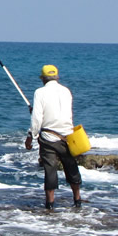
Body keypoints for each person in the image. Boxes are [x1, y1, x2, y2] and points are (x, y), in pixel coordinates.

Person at [25, 64, 82, 209]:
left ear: (43, 78)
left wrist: (31, 135)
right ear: (57, 77)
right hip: (68, 137)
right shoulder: (66, 91)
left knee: (50, 170)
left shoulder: (40, 92)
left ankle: (50, 204)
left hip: (49, 138)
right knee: (71, 168)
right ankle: (77, 200)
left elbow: (37, 118)